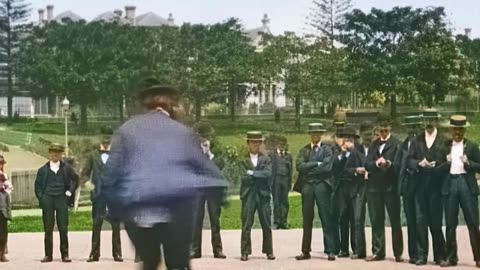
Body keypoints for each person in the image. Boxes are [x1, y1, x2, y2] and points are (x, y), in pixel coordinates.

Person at [101, 84, 227, 270]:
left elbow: (110, 174)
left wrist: (111, 208)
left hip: (139, 203)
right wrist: (219, 191)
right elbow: (206, 168)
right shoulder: (183, 132)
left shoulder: (126, 130)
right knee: (177, 262)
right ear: (172, 106)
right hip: (177, 204)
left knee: (149, 261)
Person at [438, 115, 480, 268]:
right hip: (450, 185)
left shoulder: (472, 146)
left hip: (466, 185)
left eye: (460, 129)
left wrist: (469, 163)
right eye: (455, 129)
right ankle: (451, 257)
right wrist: (445, 163)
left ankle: (478, 257)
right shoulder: (444, 147)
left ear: (464, 130)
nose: (457, 132)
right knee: (450, 224)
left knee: (473, 222)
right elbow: (437, 170)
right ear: (450, 129)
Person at [406, 109, 447, 265]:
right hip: (420, 186)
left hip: (436, 186)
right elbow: (409, 160)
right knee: (420, 221)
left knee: (436, 222)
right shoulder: (417, 140)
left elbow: (449, 162)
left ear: (436, 120)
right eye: (426, 119)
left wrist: (439, 165)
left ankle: (440, 256)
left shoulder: (444, 140)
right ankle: (422, 255)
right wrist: (418, 163)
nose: (429, 122)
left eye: (432, 119)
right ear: (423, 121)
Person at [294, 123, 336, 261]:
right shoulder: (304, 150)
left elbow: (327, 168)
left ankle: (330, 250)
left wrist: (310, 168)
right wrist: (315, 164)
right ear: (310, 135)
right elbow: (299, 166)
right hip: (307, 186)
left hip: (322, 185)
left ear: (321, 135)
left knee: (326, 216)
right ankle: (305, 251)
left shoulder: (327, 150)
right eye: (313, 133)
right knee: (307, 218)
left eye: (317, 133)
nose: (315, 136)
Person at [365, 113, 403, 262]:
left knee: (395, 220)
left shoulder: (397, 144)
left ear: (390, 128)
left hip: (390, 187)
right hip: (375, 188)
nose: (383, 131)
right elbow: (367, 164)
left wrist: (388, 164)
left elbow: (400, 165)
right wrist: (375, 164)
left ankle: (398, 253)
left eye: (386, 129)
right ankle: (378, 252)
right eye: (381, 129)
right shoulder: (374, 145)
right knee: (376, 220)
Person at [81, 131, 123, 263]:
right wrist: (90, 186)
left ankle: (117, 253)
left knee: (115, 224)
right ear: (100, 139)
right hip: (98, 195)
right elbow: (84, 174)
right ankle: (94, 254)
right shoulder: (93, 155)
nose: (106, 141)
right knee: (96, 224)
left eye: (108, 139)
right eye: (103, 138)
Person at [34, 143, 79, 263]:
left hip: (61, 199)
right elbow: (37, 186)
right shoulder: (42, 170)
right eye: (53, 152)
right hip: (47, 199)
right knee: (48, 228)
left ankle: (65, 255)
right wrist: (42, 198)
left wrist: (69, 192)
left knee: (63, 227)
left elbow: (75, 179)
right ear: (49, 154)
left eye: (58, 152)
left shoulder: (66, 168)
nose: (55, 154)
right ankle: (48, 255)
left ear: (61, 154)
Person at [191, 121, 227, 259]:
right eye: (202, 136)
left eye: (206, 136)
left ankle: (217, 249)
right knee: (196, 219)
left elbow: (220, 166)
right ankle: (195, 249)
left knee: (215, 219)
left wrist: (209, 154)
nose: (204, 139)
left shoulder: (216, 150)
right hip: (198, 189)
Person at [240, 131, 275, 261]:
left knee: (266, 223)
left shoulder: (266, 159)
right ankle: (245, 251)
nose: (255, 144)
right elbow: (243, 177)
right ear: (248, 143)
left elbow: (268, 174)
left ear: (260, 144)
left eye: (257, 142)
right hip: (248, 194)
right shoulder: (243, 159)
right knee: (246, 223)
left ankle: (269, 251)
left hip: (263, 194)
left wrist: (252, 174)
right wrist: (257, 174)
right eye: (252, 142)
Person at [394, 114, 424, 264]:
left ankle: (421, 253)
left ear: (419, 128)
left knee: (420, 220)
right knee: (410, 220)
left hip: (420, 185)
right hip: (407, 186)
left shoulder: (422, 144)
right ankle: (413, 254)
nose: (412, 130)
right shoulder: (403, 145)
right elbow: (398, 166)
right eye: (410, 127)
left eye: (415, 127)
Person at [345, 121, 374, 259]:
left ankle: (377, 250)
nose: (368, 137)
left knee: (375, 220)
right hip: (360, 187)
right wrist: (357, 170)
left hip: (374, 187)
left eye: (370, 134)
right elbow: (347, 169)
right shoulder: (356, 151)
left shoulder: (377, 149)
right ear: (361, 135)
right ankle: (360, 250)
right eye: (365, 135)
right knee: (358, 219)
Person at [335, 126, 360, 258]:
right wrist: (343, 153)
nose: (348, 142)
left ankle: (356, 247)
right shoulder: (339, 154)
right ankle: (343, 248)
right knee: (343, 218)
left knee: (354, 219)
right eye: (346, 139)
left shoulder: (358, 152)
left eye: (350, 139)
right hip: (342, 189)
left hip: (354, 188)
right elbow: (336, 167)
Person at [271, 136, 293, 230]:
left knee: (285, 202)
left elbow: (291, 170)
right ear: (277, 145)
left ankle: (284, 222)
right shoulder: (272, 155)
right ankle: (276, 222)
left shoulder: (288, 156)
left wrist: (290, 181)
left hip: (285, 180)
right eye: (280, 144)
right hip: (276, 180)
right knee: (276, 201)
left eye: (283, 144)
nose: (282, 146)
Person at [0, 155, 11, 263]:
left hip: (2, 207)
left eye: (1, 163)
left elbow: (8, 192)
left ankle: (2, 253)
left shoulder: (4, 176)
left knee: (3, 233)